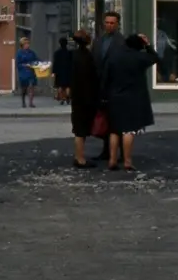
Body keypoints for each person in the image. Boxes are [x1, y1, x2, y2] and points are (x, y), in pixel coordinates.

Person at [104, 33, 159, 172]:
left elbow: (106, 78)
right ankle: (127, 161)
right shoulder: (139, 57)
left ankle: (112, 160)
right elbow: (155, 58)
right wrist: (148, 45)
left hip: (115, 97)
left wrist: (104, 95)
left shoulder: (114, 57)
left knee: (114, 130)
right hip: (133, 97)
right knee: (129, 130)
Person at [94, 11, 125, 161]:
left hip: (116, 86)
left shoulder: (122, 42)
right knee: (105, 120)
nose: (109, 25)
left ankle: (123, 153)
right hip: (101, 85)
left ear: (118, 24)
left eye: (112, 23)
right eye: (107, 22)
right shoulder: (99, 40)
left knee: (119, 122)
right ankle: (106, 151)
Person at [68, 30, 99, 168]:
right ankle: (80, 158)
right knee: (81, 129)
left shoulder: (73, 56)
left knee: (78, 128)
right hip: (87, 96)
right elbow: (93, 77)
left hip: (77, 96)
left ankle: (78, 156)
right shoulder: (88, 57)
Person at [16, 37, 39, 108]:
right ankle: (23, 102)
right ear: (22, 45)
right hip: (23, 73)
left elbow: (36, 59)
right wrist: (25, 65)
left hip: (31, 72)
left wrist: (40, 64)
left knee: (31, 87)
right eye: (25, 44)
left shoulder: (31, 52)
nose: (27, 45)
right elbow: (18, 64)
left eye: (28, 44)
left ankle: (31, 103)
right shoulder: (19, 53)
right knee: (24, 89)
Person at [51, 36, 72, 105]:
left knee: (60, 86)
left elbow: (55, 63)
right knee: (68, 86)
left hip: (59, 72)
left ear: (60, 43)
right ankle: (68, 96)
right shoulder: (70, 52)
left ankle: (62, 98)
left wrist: (53, 72)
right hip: (68, 71)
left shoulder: (57, 53)